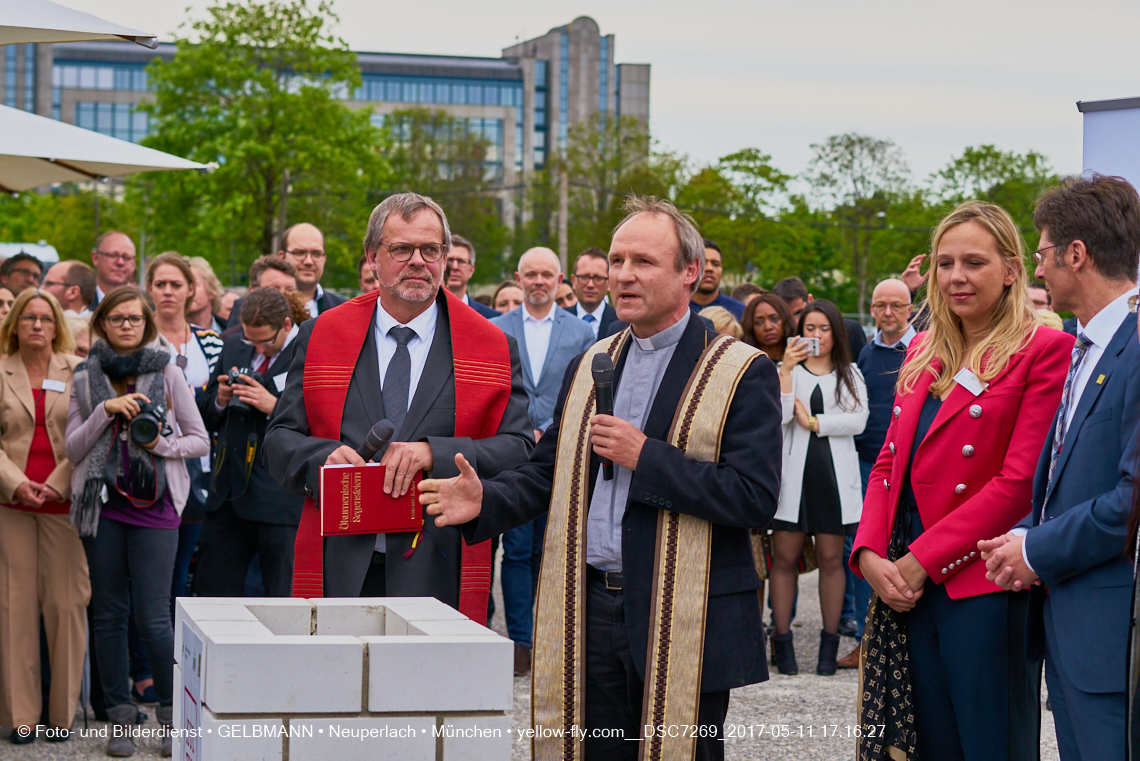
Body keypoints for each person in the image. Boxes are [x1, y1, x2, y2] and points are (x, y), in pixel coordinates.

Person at [422, 196, 782, 761]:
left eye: (643, 261)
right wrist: (485, 500)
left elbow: (755, 499)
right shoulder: (593, 363)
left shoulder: (741, 370)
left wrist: (648, 457)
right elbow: (547, 474)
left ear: (689, 272)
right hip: (587, 607)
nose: (623, 275)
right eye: (616, 261)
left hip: (684, 613)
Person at [853, 201, 1072, 761]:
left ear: (1012, 269)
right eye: (946, 263)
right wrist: (870, 552)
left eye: (974, 262)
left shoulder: (1045, 350)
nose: (956, 277)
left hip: (983, 584)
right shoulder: (923, 349)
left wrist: (921, 560)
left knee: (990, 745)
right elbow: (887, 464)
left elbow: (1019, 482)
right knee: (928, 745)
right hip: (907, 581)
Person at [264, 192, 534, 613]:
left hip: (440, 565)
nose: (417, 261)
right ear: (373, 257)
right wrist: (322, 457)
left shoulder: (492, 345)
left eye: (430, 249)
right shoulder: (321, 335)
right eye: (401, 249)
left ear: (445, 257)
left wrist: (435, 453)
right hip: (339, 559)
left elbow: (519, 448)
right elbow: (279, 441)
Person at [979, 175, 1140, 761]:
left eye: (1043, 254)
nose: (1038, 271)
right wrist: (1028, 534)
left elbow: (1132, 500)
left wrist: (1037, 551)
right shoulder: (1086, 346)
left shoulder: (1136, 346)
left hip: (1114, 640)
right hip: (1077, 631)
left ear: (1078, 254)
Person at [65, 286, 210, 757]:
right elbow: (72, 449)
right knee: (108, 615)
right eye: (117, 318)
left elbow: (198, 441)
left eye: (134, 319)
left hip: (158, 508)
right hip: (102, 507)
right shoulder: (86, 377)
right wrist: (105, 412)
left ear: (146, 325)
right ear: (102, 322)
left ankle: (171, 717)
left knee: (153, 615)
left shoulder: (167, 371)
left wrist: (159, 445)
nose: (126, 325)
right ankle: (120, 720)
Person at [490, 247, 594, 675]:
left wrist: (549, 428)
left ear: (559, 279)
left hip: (559, 450)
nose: (537, 282)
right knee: (515, 550)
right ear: (518, 277)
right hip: (513, 452)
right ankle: (520, 641)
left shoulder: (581, 333)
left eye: (545, 275)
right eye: (529, 274)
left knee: (552, 548)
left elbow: (583, 389)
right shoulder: (496, 328)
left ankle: (552, 636)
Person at [0, 290, 86, 745]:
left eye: (45, 319)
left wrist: (57, 482)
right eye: (28, 318)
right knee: (14, 609)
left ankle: (63, 717)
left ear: (58, 327)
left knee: (66, 606)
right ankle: (21, 717)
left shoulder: (78, 372)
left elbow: (90, 433)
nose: (37, 325)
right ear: (14, 324)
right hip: (10, 505)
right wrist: (15, 483)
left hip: (64, 505)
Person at [769, 299, 867, 676]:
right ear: (800, 331)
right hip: (793, 478)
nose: (817, 336)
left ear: (835, 333)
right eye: (810, 328)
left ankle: (828, 650)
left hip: (832, 479)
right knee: (784, 559)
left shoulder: (850, 373)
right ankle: (783, 646)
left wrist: (815, 423)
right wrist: (788, 370)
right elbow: (777, 417)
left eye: (824, 328)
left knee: (830, 559)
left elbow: (859, 419)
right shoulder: (784, 369)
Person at [195, 288, 308, 598]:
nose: (258, 348)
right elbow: (204, 414)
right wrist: (219, 400)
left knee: (283, 598)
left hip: (280, 500)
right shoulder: (233, 346)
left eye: (266, 341)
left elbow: (322, 423)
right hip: (228, 494)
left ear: (286, 325)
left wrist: (274, 405)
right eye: (251, 341)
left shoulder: (311, 350)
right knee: (210, 593)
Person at [837, 278, 914, 668]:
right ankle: (865, 640)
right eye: (881, 306)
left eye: (896, 306)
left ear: (909, 309)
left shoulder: (924, 349)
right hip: (868, 463)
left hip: (910, 466)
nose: (888, 313)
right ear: (871, 309)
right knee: (863, 549)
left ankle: (901, 640)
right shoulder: (864, 355)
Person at [227, 228, 332, 329]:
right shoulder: (244, 306)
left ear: (324, 258)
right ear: (282, 256)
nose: (309, 261)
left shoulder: (340, 306)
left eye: (317, 254)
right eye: (299, 253)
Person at [773, 276, 868, 362]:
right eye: (788, 317)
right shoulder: (781, 339)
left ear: (810, 300)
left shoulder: (850, 331)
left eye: (799, 312)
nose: (796, 321)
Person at [569, 247, 627, 338]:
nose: (590, 285)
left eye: (598, 278)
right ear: (573, 281)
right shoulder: (558, 321)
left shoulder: (623, 322)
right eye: (584, 277)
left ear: (609, 283)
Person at [444, 235, 498, 318]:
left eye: (461, 261)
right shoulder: (424, 313)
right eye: (449, 260)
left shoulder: (490, 317)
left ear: (471, 270)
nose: (454, 267)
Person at [690, 239, 745, 320]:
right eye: (703, 263)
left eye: (715, 264)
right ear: (690, 268)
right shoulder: (674, 311)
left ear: (721, 270)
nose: (709, 268)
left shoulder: (741, 313)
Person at [741, 293, 796, 362]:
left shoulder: (801, 360)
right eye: (759, 322)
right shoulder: (746, 364)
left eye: (774, 319)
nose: (768, 327)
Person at [90, 232, 137, 305]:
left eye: (126, 257)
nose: (120, 262)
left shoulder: (148, 308)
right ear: (95, 258)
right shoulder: (79, 304)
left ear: (134, 264)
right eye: (113, 255)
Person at [188, 257, 225, 333]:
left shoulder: (230, 331)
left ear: (212, 291)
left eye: (194, 285)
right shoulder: (162, 335)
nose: (188, 291)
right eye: (181, 285)